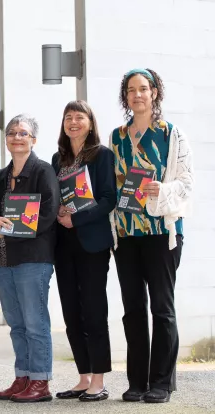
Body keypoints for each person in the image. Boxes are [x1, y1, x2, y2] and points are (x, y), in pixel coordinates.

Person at [111, 68, 193, 403]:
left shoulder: (172, 134)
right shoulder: (116, 137)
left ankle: (161, 382)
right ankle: (136, 381)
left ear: (154, 93)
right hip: (127, 235)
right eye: (131, 90)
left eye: (143, 88)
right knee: (132, 309)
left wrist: (163, 188)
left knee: (162, 307)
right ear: (126, 97)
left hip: (162, 232)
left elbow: (186, 185)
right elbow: (110, 183)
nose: (137, 95)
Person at [0, 114, 59, 403]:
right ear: (6, 139)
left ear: (34, 140)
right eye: (12, 133)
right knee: (16, 322)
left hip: (33, 258)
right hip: (2, 258)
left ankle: (41, 381)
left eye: (23, 133)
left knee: (34, 322)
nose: (17, 137)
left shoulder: (43, 171)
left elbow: (49, 213)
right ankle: (23, 376)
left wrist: (16, 229)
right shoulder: (2, 176)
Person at [51, 101, 116, 402]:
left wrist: (75, 217)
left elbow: (107, 199)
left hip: (92, 243)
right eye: (68, 118)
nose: (73, 122)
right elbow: (55, 197)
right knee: (71, 313)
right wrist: (59, 210)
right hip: (64, 244)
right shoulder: (58, 158)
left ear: (90, 123)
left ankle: (99, 381)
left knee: (93, 310)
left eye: (80, 117)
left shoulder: (101, 155)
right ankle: (83, 377)